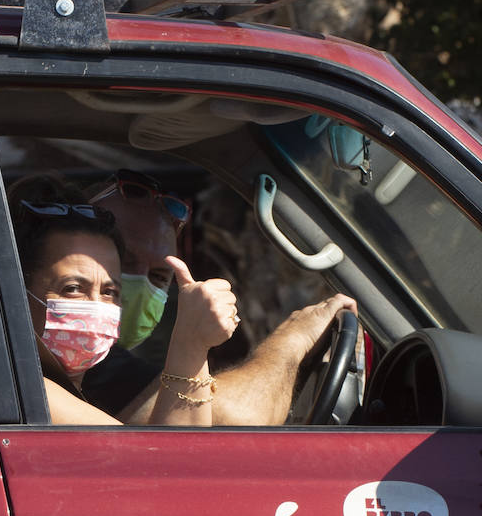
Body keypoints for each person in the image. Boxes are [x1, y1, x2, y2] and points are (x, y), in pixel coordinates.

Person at [84, 168, 358, 425]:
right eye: (125, 262)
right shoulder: (86, 364)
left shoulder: (101, 364)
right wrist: (295, 338)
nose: (139, 286)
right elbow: (235, 421)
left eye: (158, 277)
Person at [10, 176, 238, 426]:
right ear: (16, 294)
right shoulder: (19, 391)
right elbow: (169, 461)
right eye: (73, 288)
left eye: (109, 291)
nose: (95, 306)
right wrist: (191, 342)